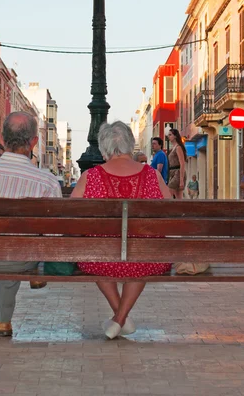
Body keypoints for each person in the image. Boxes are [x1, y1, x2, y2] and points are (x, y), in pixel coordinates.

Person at [71, 121, 171, 340]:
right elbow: (170, 205)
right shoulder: (152, 175)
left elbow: (72, 215)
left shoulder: (91, 176)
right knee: (143, 253)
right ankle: (120, 317)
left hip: (100, 259)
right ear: (130, 145)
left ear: (104, 148)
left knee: (92, 254)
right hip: (146, 259)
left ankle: (119, 317)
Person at [0, 111, 62, 337]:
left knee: (3, 244)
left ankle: (1, 321)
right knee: (18, 248)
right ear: (34, 142)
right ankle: (34, 274)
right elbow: (56, 233)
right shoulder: (47, 181)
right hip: (24, 257)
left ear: (1, 138)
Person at [167, 129, 187, 199]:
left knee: (168, 193)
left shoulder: (178, 148)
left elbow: (182, 163)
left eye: (170, 135)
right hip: (172, 172)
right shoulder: (173, 148)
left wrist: (181, 180)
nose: (168, 136)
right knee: (178, 198)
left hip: (178, 172)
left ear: (175, 136)